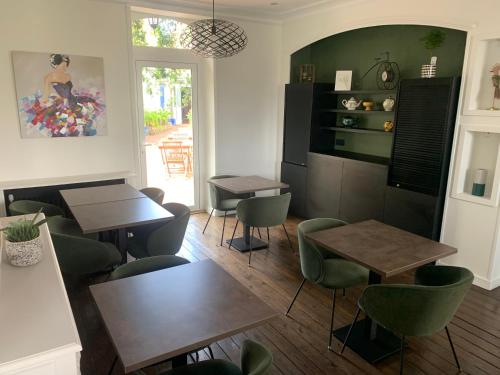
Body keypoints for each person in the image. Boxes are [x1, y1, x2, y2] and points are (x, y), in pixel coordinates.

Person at [19, 53, 104, 137]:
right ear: (56, 65)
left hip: (73, 101)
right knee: (64, 125)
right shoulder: (49, 77)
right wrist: (44, 104)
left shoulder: (68, 76)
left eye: (66, 65)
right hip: (64, 104)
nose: (65, 68)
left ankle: (82, 134)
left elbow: (67, 91)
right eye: (62, 66)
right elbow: (46, 94)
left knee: (81, 120)